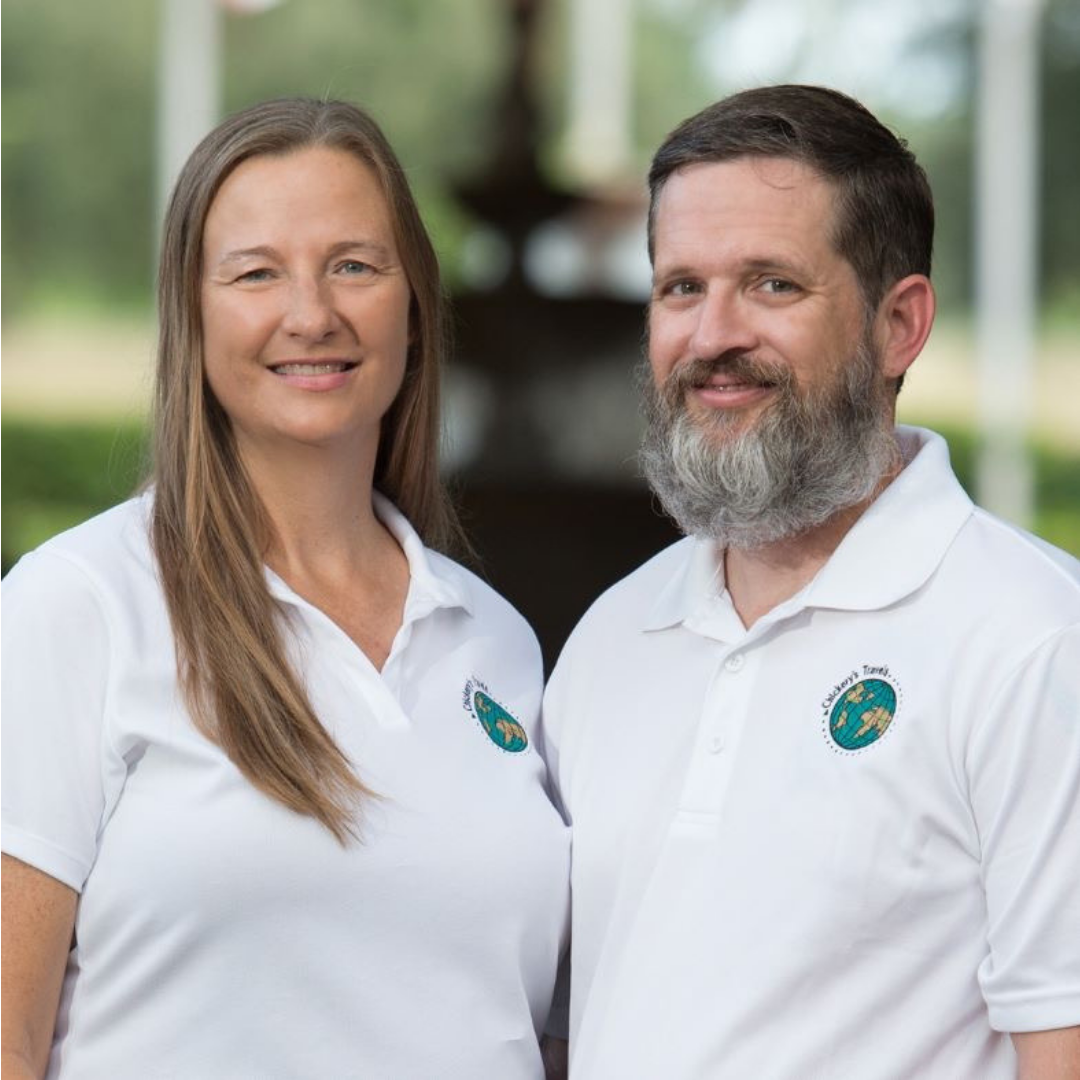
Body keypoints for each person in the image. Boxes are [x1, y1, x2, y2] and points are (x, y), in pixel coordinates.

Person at [1, 98, 569, 1080]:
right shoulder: (78, 605)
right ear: (192, 313)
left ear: (414, 303)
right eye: (256, 272)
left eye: (354, 264)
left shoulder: (498, 641)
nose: (312, 314)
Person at [542, 85, 1080, 1079]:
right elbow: (568, 1032)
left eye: (772, 285)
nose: (713, 338)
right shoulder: (613, 638)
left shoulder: (1037, 639)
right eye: (680, 288)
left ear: (898, 325)